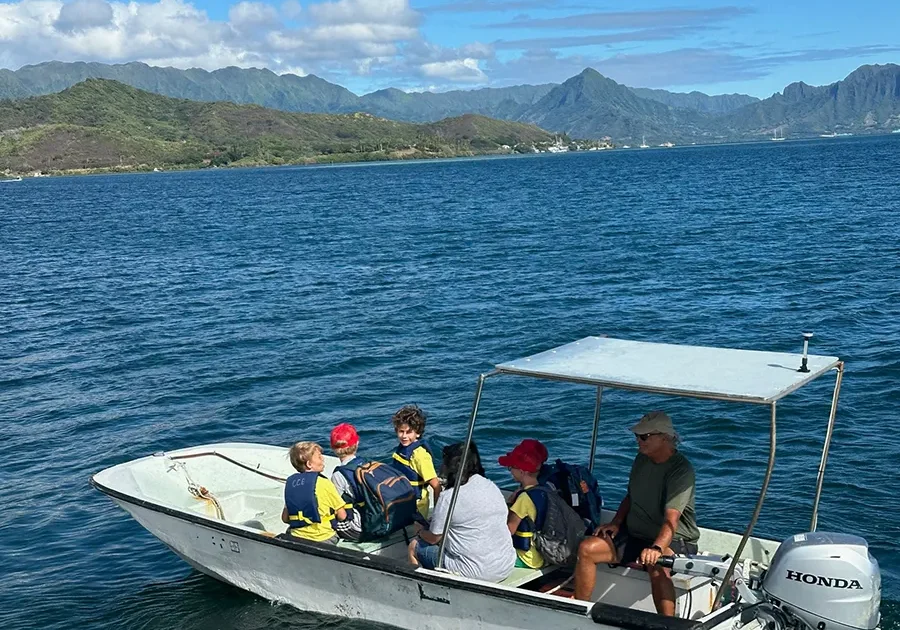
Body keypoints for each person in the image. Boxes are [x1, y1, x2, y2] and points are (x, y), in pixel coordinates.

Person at [574, 411, 699, 615]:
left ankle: (667, 623)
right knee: (587, 548)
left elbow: (671, 519)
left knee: (657, 565)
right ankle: (579, 611)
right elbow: (631, 496)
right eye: (637, 436)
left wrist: (657, 548)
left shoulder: (681, 470)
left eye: (644, 436)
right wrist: (615, 522)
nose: (638, 441)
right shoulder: (641, 459)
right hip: (636, 536)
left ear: (664, 437)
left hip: (675, 540)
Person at [408, 441, 516, 583]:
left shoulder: (448, 498)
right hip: (505, 565)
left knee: (414, 546)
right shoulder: (489, 485)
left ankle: (419, 589)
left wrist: (420, 531)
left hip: (476, 572)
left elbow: (434, 538)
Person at [281, 441, 348, 544]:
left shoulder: (291, 483)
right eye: (319, 456)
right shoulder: (325, 483)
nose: (323, 458)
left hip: (296, 535)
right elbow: (342, 515)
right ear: (309, 464)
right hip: (323, 537)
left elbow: (285, 518)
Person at [501, 439, 550, 569]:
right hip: (543, 555)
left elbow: (508, 531)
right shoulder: (545, 491)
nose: (510, 470)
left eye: (511, 467)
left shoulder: (524, 498)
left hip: (526, 558)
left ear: (522, 471)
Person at [391, 404, 440, 518]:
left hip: (417, 505)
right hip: (403, 498)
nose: (404, 436)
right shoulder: (403, 448)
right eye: (401, 431)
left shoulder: (420, 455)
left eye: (409, 432)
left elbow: (436, 485)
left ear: (417, 433)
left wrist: (437, 513)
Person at [329, 423, 364, 541]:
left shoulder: (338, 475)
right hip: (374, 518)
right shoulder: (366, 463)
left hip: (359, 528)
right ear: (357, 443)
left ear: (333, 448)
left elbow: (333, 505)